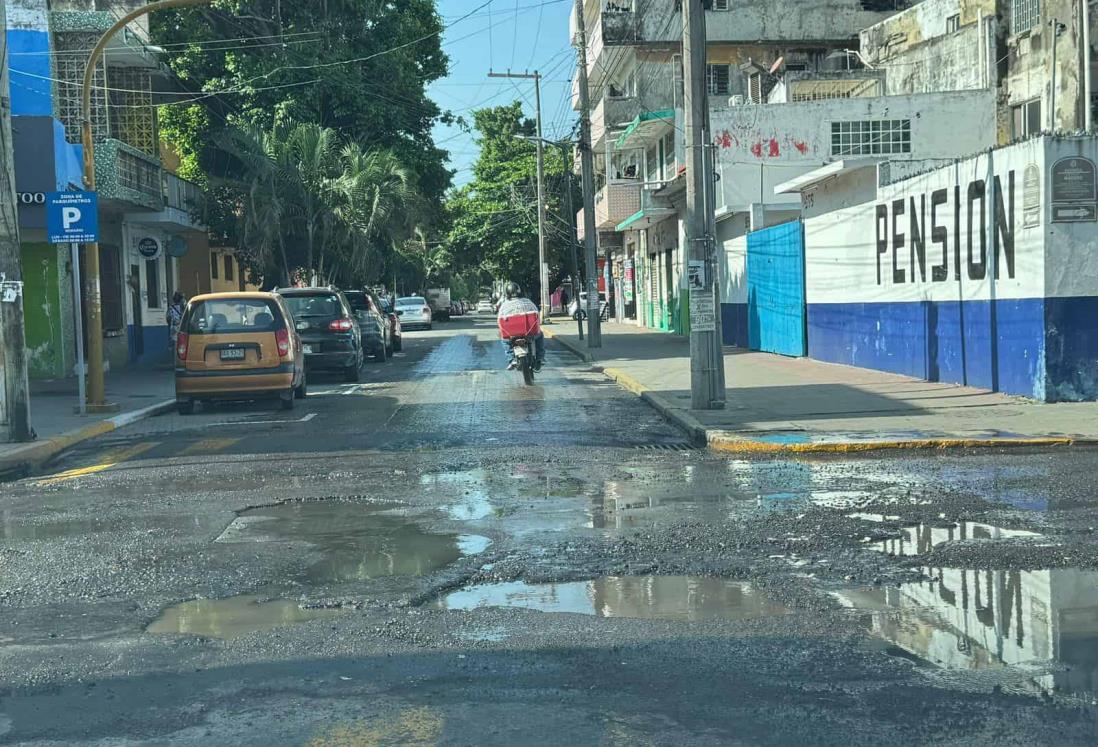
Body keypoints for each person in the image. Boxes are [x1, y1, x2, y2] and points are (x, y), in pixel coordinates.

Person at [496, 282, 544, 371]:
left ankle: (511, 359)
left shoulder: (504, 305)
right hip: (528, 332)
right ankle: (540, 358)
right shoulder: (527, 301)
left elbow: (499, 319)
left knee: (503, 339)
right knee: (540, 335)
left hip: (511, 334)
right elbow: (536, 313)